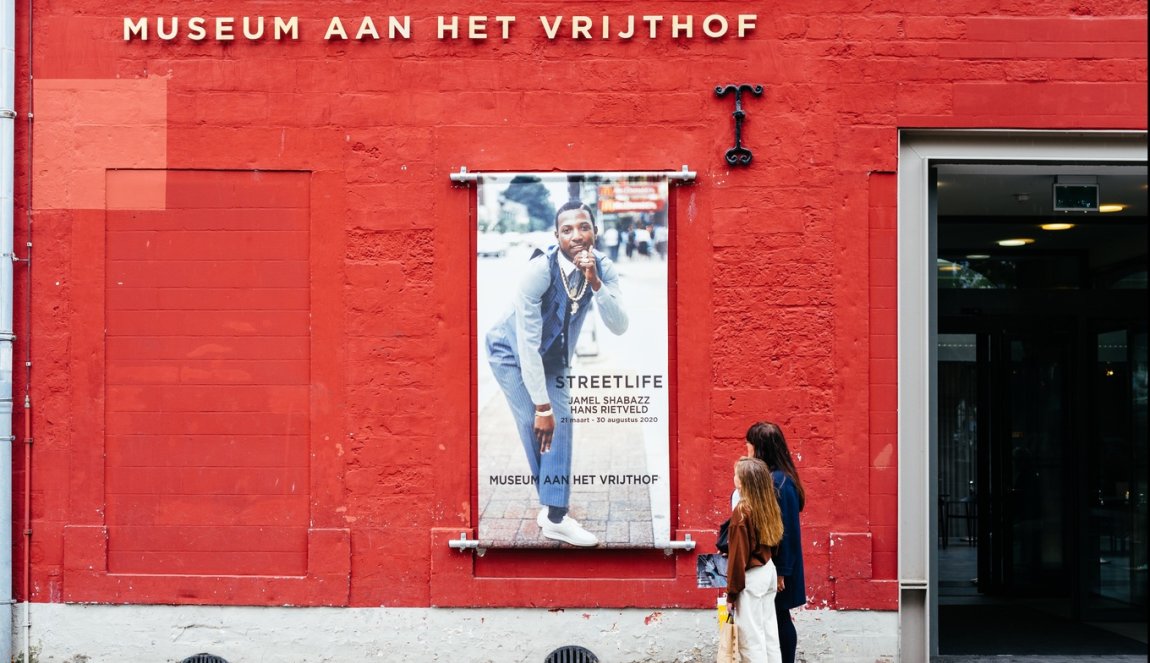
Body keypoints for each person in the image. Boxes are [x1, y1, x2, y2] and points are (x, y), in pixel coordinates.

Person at [485, 201, 629, 547]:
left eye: (584, 227)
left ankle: (552, 512)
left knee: (559, 424)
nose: (577, 236)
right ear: (557, 236)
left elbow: (619, 325)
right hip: (511, 352)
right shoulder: (539, 271)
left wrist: (595, 282)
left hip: (555, 357)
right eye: (567, 230)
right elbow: (527, 344)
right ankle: (556, 514)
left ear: (596, 230)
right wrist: (542, 407)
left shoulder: (604, 268)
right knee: (537, 424)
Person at [744, 422, 807, 663]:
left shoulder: (779, 482)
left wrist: (781, 572)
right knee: (775, 617)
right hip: (776, 563)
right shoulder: (776, 478)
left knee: (780, 617)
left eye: (750, 443)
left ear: (761, 449)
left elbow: (787, 530)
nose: (746, 448)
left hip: (780, 565)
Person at [727, 457, 785, 663]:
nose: (733, 478)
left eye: (736, 474)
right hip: (768, 570)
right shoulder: (768, 505)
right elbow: (776, 541)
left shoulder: (742, 511)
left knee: (751, 640)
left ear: (742, 482)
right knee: (769, 633)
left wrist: (731, 595)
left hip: (751, 576)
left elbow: (737, 558)